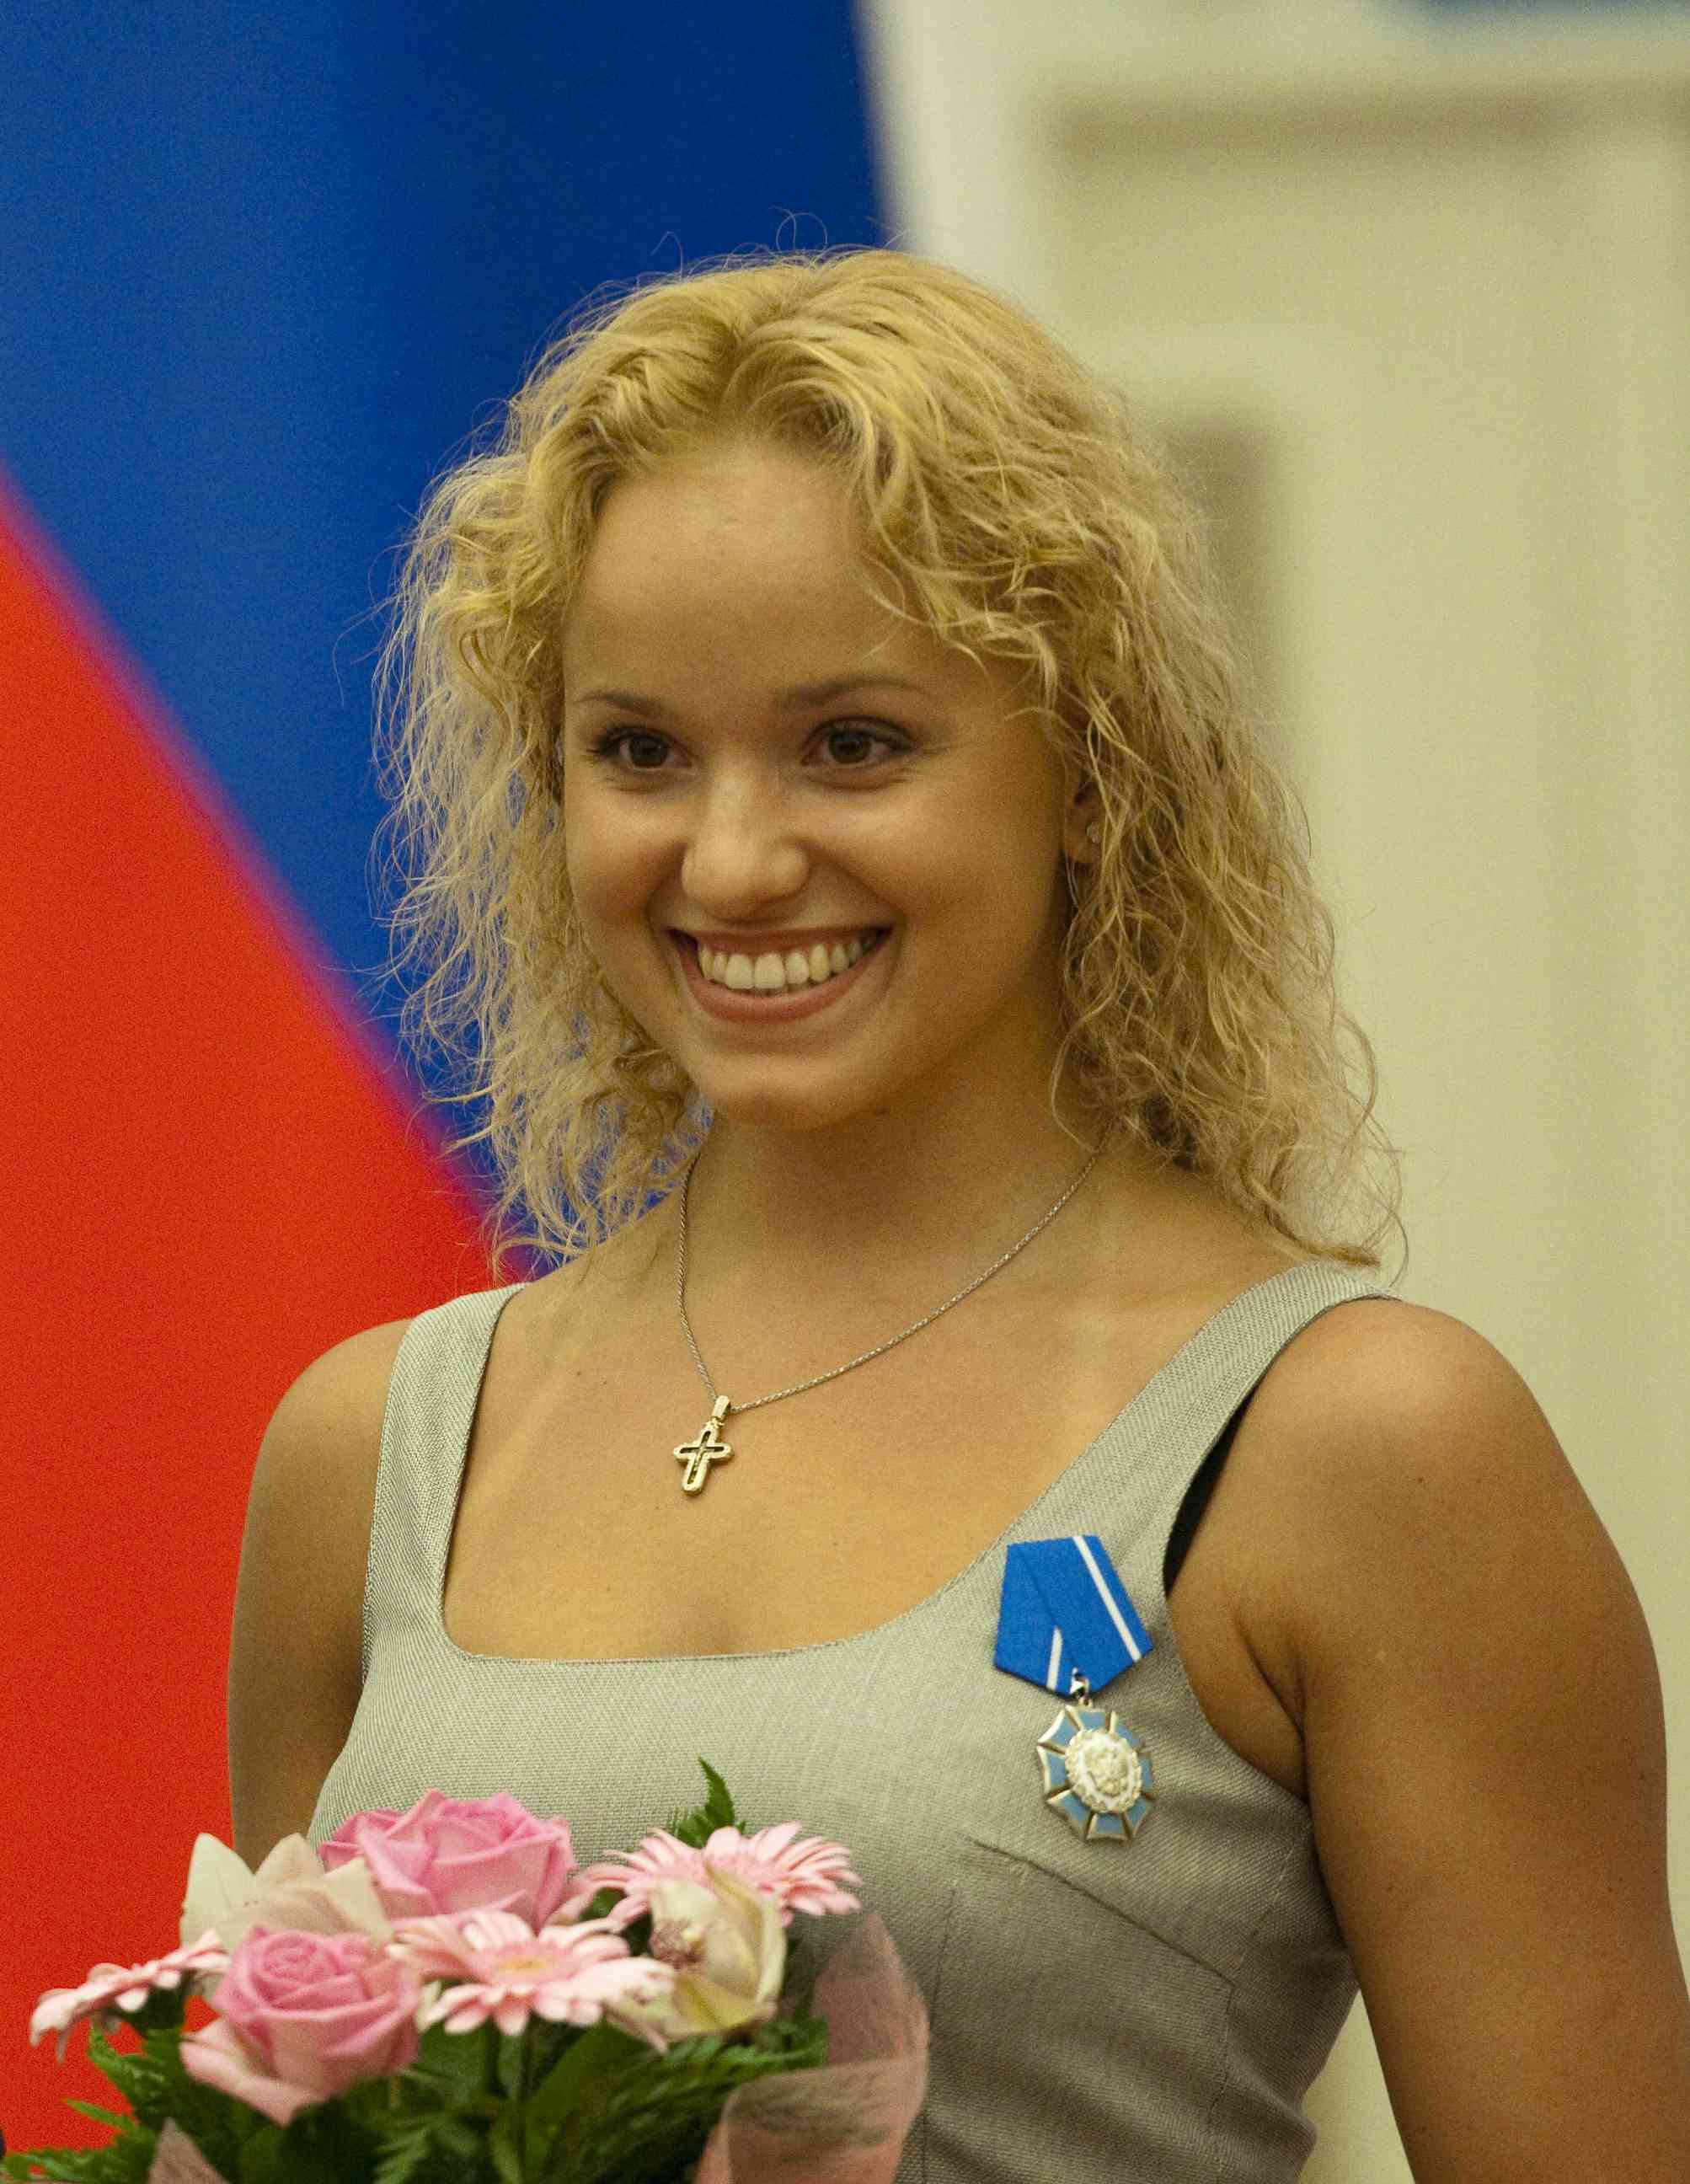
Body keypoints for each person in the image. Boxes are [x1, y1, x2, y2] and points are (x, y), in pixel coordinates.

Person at [228, 247, 1690, 2181]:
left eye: (852, 744)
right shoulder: (371, 1448)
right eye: (639, 750)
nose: (732, 860)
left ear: (1086, 771)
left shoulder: (1361, 1442)